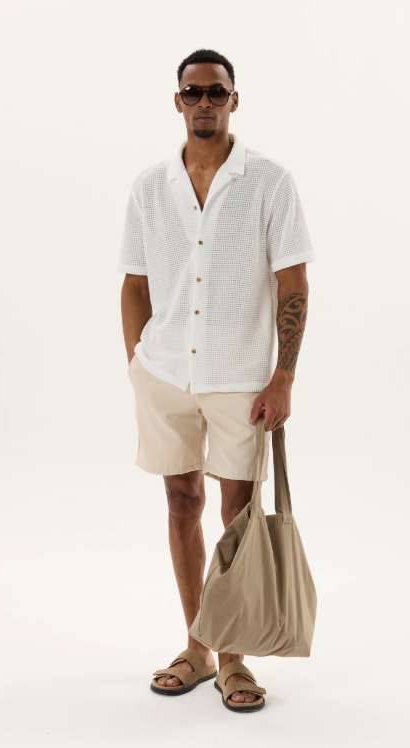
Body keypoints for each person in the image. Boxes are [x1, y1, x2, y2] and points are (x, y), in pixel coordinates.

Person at [117, 48, 315, 712]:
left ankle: (232, 657)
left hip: (239, 377)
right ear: (177, 101)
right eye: (193, 92)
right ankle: (197, 648)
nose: (205, 102)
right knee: (180, 502)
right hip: (165, 372)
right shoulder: (150, 187)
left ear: (234, 99)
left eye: (216, 92)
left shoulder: (269, 182)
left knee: (237, 515)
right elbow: (135, 283)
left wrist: (284, 375)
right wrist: (136, 364)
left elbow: (293, 281)